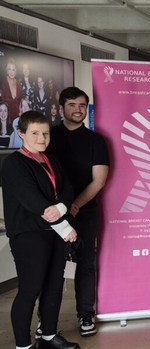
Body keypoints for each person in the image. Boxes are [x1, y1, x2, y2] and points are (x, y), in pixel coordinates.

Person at [3, 111, 80, 349]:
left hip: (53, 233)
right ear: (21, 133)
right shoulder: (14, 163)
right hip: (29, 234)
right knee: (30, 289)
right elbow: (33, 201)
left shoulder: (50, 159)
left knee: (54, 286)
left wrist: (61, 206)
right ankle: (23, 345)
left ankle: (48, 336)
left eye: (45, 133)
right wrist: (64, 224)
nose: (41, 138)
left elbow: (67, 188)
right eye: (35, 133)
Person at [44, 87, 110, 337]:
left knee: (86, 264)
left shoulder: (95, 140)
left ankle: (85, 314)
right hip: (51, 213)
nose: (78, 110)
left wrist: (74, 205)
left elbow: (99, 180)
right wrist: (58, 208)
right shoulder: (48, 137)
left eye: (82, 105)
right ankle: (47, 320)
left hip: (85, 212)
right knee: (53, 266)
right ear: (62, 107)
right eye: (72, 105)